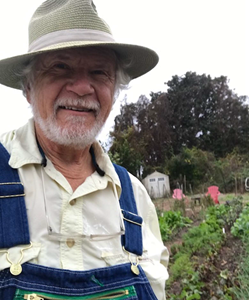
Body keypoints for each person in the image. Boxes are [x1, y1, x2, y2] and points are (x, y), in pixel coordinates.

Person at [0, 1, 169, 299]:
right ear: (28, 87)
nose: (81, 87)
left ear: (114, 91)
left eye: (99, 72)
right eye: (60, 67)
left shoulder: (134, 199)